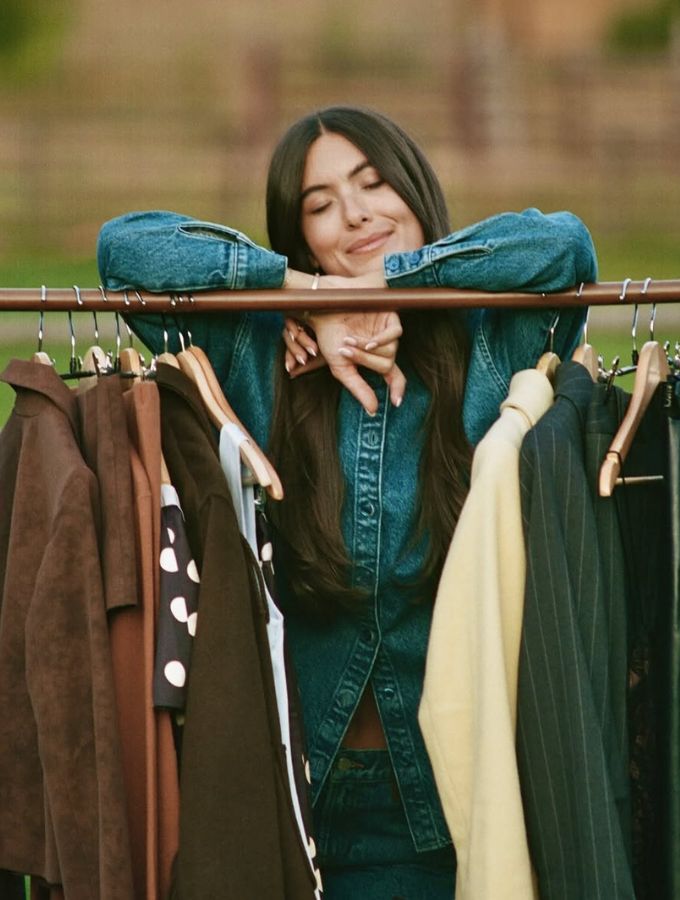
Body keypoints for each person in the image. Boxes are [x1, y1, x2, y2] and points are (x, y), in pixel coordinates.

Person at [97, 104, 597, 899]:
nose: (355, 212)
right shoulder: (258, 349)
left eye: (373, 184)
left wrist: (391, 285)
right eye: (321, 205)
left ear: (415, 190)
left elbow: (564, 246)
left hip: (451, 792)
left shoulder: (487, 340)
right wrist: (305, 295)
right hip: (293, 793)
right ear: (300, 236)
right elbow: (124, 248)